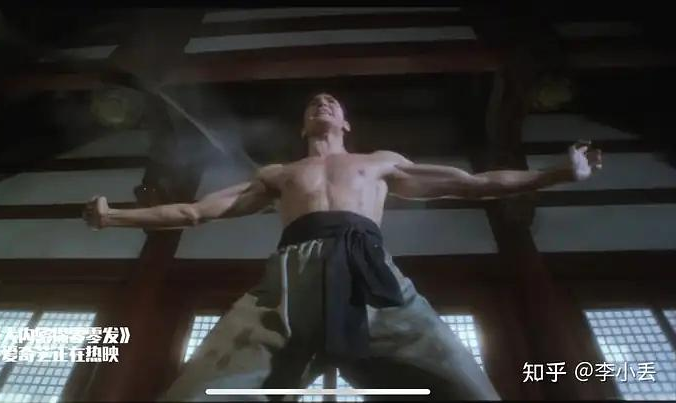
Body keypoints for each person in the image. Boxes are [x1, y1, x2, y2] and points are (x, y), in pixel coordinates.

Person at [83, 93, 602, 401]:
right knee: (200, 390)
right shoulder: (278, 173)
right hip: (288, 280)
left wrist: (555, 174)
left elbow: (472, 183)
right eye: (313, 102)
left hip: (370, 273)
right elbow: (195, 212)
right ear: (303, 124)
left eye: (332, 101)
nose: (322, 103)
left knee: (462, 381)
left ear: (346, 122)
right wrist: (113, 217)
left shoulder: (380, 162)